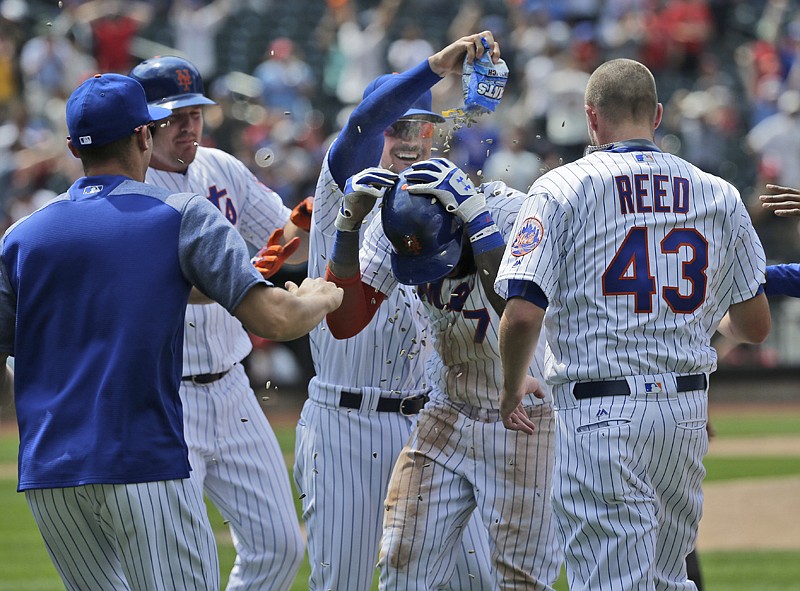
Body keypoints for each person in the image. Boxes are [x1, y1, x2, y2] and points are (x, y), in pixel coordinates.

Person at [0, 73, 341, 591]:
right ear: (143, 135)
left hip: (50, 472)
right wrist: (324, 295)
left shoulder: (21, 237)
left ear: (71, 147)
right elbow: (275, 319)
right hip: (142, 457)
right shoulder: (178, 215)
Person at [494, 57, 771, 591]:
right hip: (686, 414)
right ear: (659, 114)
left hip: (600, 409)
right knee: (670, 581)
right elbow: (754, 325)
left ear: (591, 119)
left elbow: (523, 312)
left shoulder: (559, 188)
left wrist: (509, 390)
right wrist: (704, 326)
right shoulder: (718, 193)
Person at [297, 32, 502, 591]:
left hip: (431, 420)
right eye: (398, 128)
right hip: (347, 423)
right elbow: (360, 128)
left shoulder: (437, 200)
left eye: (423, 129)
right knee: (344, 582)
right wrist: (435, 69)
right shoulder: (346, 185)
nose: (410, 141)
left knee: (477, 580)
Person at [324, 161, 560, 588]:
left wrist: (479, 222)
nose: (437, 271)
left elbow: (515, 310)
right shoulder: (393, 224)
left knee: (523, 580)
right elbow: (345, 320)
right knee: (400, 562)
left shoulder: (511, 214)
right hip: (446, 408)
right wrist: (347, 226)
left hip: (524, 415)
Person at [129, 55, 311, 591]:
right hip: (164, 395)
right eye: (173, 114)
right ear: (142, 124)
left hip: (232, 388)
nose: (188, 124)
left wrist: (319, 216)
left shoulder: (219, 167)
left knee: (280, 546)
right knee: (185, 567)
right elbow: (166, 287)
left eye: (195, 112)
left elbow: (282, 237)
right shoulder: (130, 188)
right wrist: (246, 279)